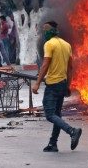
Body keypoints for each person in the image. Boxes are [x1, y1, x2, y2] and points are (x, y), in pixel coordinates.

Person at [31, 21, 82, 152]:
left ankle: (72, 131)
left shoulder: (49, 44)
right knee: (57, 114)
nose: (43, 32)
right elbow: (70, 68)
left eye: (45, 30)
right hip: (62, 84)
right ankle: (53, 144)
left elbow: (45, 64)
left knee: (50, 115)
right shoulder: (67, 45)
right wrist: (68, 85)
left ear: (50, 31)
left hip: (53, 84)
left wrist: (37, 83)